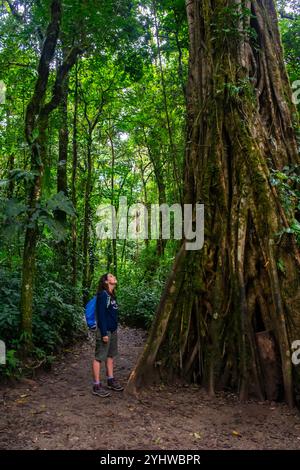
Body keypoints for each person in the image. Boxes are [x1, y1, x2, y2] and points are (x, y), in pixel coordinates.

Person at [92, 273, 124, 397]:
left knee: (110, 356)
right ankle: (96, 385)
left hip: (113, 331)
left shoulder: (112, 295)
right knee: (99, 357)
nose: (114, 277)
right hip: (105, 331)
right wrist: (104, 333)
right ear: (106, 281)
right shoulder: (102, 295)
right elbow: (101, 315)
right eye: (110, 276)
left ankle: (110, 380)